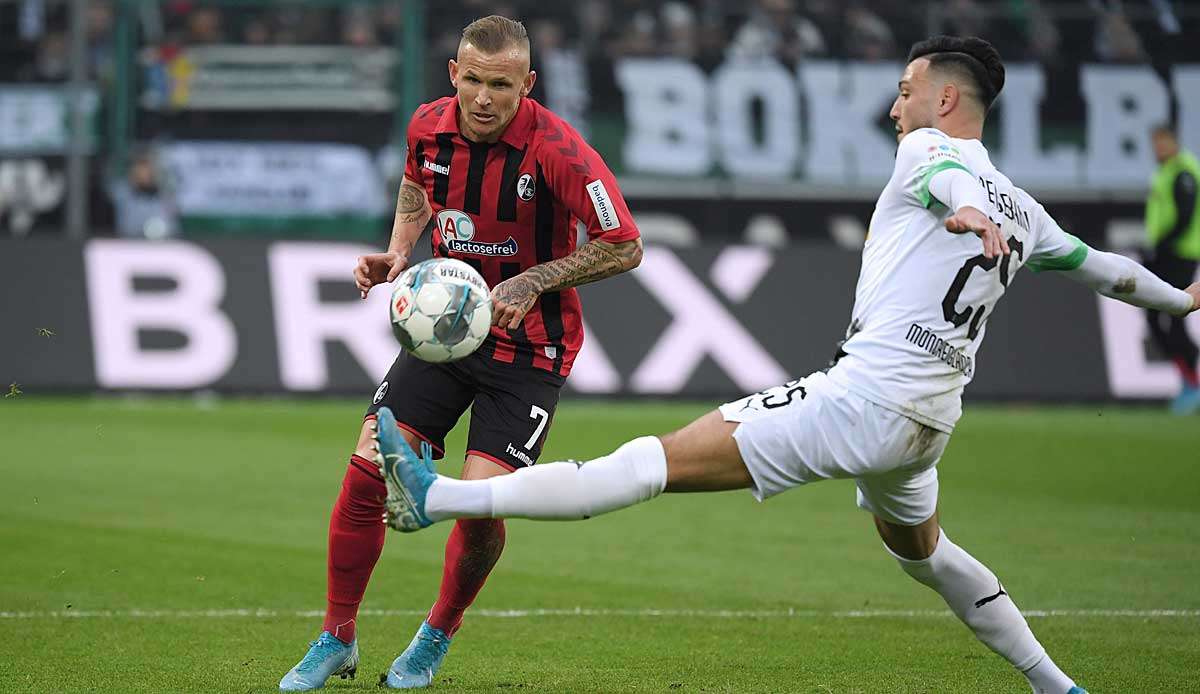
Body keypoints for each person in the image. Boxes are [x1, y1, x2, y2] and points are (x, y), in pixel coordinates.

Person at [374, 36, 1200, 694]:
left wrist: (967, 206)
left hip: (864, 401)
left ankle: (437, 494)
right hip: (928, 425)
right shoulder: (1031, 211)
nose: (894, 108)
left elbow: (948, 174)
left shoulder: (930, 158)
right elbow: (1108, 270)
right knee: (927, 556)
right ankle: (1054, 685)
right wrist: (1183, 302)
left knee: (648, 464)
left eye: (907, 92)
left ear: (945, 99)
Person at [278, 15, 643, 692]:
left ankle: (436, 634)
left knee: (477, 510)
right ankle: (336, 636)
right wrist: (397, 251)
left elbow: (625, 243)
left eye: (500, 85)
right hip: (447, 330)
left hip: (531, 350)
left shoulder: (562, 152)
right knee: (365, 470)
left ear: (527, 84)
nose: (482, 98)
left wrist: (537, 279)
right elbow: (418, 185)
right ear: (453, 74)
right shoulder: (428, 125)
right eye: (471, 80)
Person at [1146, 124, 1200, 414]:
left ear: (1172, 142)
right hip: (1168, 254)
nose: (1157, 149)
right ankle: (1189, 378)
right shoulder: (1166, 171)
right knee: (1158, 317)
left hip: (1180, 255)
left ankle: (1192, 380)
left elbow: (1185, 217)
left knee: (1174, 315)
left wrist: (1161, 245)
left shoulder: (1183, 171)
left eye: (1161, 143)